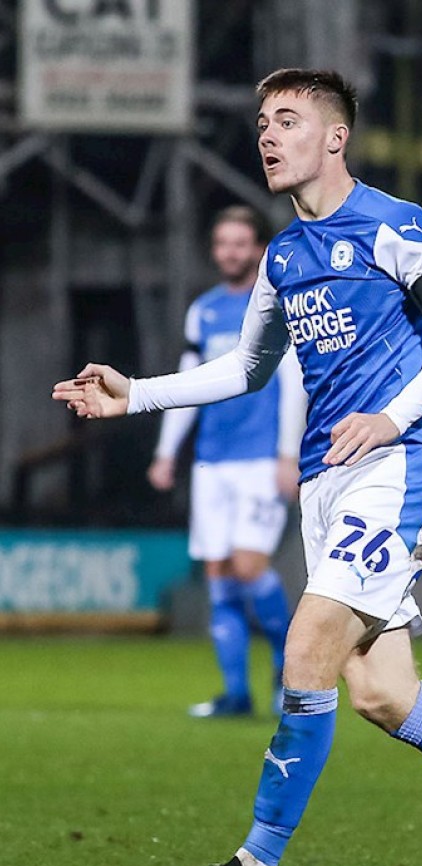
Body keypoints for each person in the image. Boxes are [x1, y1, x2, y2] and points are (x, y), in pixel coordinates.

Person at [54, 68, 422, 866]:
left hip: (394, 470)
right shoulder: (284, 255)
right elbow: (248, 368)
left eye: (287, 120)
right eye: (262, 123)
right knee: (385, 694)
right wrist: (137, 396)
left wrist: (393, 418)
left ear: (335, 137)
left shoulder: (395, 225)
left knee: (307, 647)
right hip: (326, 484)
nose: (268, 136)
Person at [148, 205, 306, 718]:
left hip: (260, 459)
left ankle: (288, 671)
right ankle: (236, 693)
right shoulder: (204, 311)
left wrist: (287, 454)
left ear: (258, 248)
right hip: (211, 461)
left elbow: (293, 383)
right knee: (218, 571)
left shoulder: (276, 304)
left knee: (248, 566)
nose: (230, 253)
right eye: (222, 243)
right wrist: (166, 451)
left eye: (240, 243)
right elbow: (188, 385)